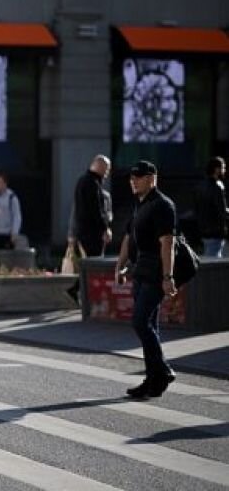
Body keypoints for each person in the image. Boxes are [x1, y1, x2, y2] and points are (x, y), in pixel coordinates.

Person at [114, 160, 177, 400]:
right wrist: (120, 266)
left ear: (152, 178)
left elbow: (167, 242)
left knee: (140, 322)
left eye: (138, 177)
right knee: (150, 326)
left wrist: (168, 276)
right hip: (140, 272)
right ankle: (153, 381)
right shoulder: (139, 205)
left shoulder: (162, 205)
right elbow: (128, 237)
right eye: (131, 177)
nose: (133, 181)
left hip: (155, 273)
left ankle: (163, 370)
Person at [71, 155, 112, 257]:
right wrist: (104, 228)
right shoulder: (93, 184)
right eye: (107, 169)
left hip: (82, 233)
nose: (107, 173)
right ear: (101, 167)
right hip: (92, 236)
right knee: (94, 262)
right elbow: (96, 209)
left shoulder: (82, 181)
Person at [194, 156, 228, 258]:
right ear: (217, 169)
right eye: (223, 168)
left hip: (203, 231)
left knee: (210, 256)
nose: (224, 171)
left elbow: (197, 208)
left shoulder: (200, 186)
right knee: (214, 259)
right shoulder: (218, 186)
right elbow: (222, 210)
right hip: (216, 231)